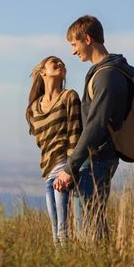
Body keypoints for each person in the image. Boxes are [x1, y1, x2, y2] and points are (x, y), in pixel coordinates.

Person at [54, 15, 134, 239]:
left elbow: (96, 125)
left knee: (89, 229)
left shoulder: (107, 75)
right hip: (98, 158)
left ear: (88, 39)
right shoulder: (108, 71)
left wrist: (70, 168)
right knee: (94, 223)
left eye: (74, 44)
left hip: (97, 159)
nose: (73, 51)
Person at [26, 56, 82, 245]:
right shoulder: (34, 108)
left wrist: (70, 170)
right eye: (55, 63)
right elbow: (41, 140)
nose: (61, 65)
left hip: (64, 170)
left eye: (63, 64)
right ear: (43, 72)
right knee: (54, 234)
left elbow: (75, 134)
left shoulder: (69, 96)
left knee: (63, 231)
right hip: (48, 173)